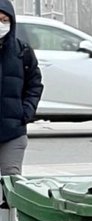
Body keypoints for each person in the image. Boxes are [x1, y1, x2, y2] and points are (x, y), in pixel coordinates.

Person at [0, 2, 41, 177]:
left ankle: (8, 205)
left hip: (13, 131)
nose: (1, 25)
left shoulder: (22, 51)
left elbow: (35, 84)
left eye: (4, 20)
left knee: (11, 179)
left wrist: (25, 112)